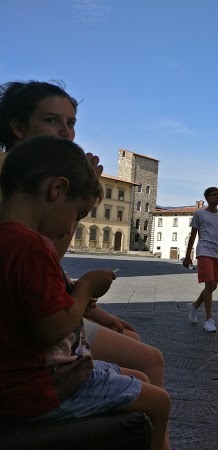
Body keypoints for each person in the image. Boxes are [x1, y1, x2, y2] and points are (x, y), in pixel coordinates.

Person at [0, 137, 170, 450]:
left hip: (23, 381)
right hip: (43, 387)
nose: (70, 228)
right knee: (158, 402)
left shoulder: (9, 238)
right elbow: (50, 328)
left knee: (141, 380)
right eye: (77, 213)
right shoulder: (32, 245)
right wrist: (87, 287)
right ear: (57, 190)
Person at [0, 80, 165, 388]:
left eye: (71, 123)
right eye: (51, 120)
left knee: (129, 336)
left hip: (40, 307)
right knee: (148, 359)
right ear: (19, 126)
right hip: (26, 324)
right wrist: (77, 200)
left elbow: (45, 266)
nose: (66, 132)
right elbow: (44, 256)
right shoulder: (18, 185)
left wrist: (93, 311)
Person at [183, 187, 218, 332]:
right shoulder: (199, 214)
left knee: (212, 287)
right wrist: (188, 256)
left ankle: (194, 306)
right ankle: (209, 319)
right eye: (213, 195)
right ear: (207, 198)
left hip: (217, 253)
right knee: (210, 284)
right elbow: (193, 235)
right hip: (203, 251)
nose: (217, 197)